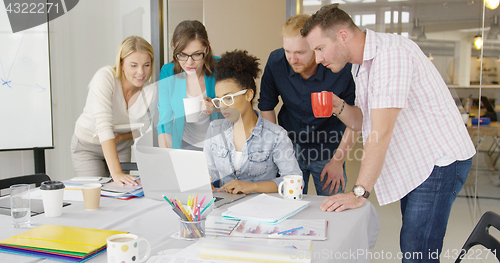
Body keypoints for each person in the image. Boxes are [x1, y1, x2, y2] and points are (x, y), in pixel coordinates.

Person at [301, 4, 476, 262]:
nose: (317, 59)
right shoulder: (360, 66)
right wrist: (338, 106)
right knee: (413, 243)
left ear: (342, 36)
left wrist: (358, 192)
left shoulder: (391, 55)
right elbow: (364, 121)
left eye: (319, 48)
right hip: (420, 160)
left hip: (440, 161)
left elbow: (380, 132)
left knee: (417, 250)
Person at [258, 14, 356, 196]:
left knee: (332, 207)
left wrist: (337, 161)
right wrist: (278, 147)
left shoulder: (340, 68)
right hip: (290, 146)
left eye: (300, 53)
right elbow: (266, 105)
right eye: (288, 51)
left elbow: (356, 120)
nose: (292, 59)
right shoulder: (276, 61)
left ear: (315, 48)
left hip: (329, 148)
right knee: (288, 205)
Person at [204, 50, 302, 194]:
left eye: (228, 98)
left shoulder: (276, 135)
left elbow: (295, 180)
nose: (223, 106)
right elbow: (208, 173)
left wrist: (252, 187)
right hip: (224, 210)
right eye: (219, 100)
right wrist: (206, 182)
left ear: (248, 94)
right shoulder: (214, 130)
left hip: (261, 209)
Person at [71, 36, 156, 186]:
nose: (141, 72)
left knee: (122, 193)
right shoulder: (105, 77)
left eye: (146, 65)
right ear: (121, 64)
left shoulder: (150, 91)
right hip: (88, 146)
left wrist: (121, 138)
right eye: (134, 65)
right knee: (97, 194)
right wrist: (116, 173)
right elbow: (103, 126)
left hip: (121, 146)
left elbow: (144, 128)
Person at [157, 20, 220, 151]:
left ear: (206, 49)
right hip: (186, 145)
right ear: (174, 48)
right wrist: (167, 157)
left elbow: (239, 106)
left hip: (220, 145)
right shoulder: (168, 72)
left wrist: (217, 107)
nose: (189, 62)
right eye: (183, 55)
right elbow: (165, 122)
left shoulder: (221, 67)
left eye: (197, 54)